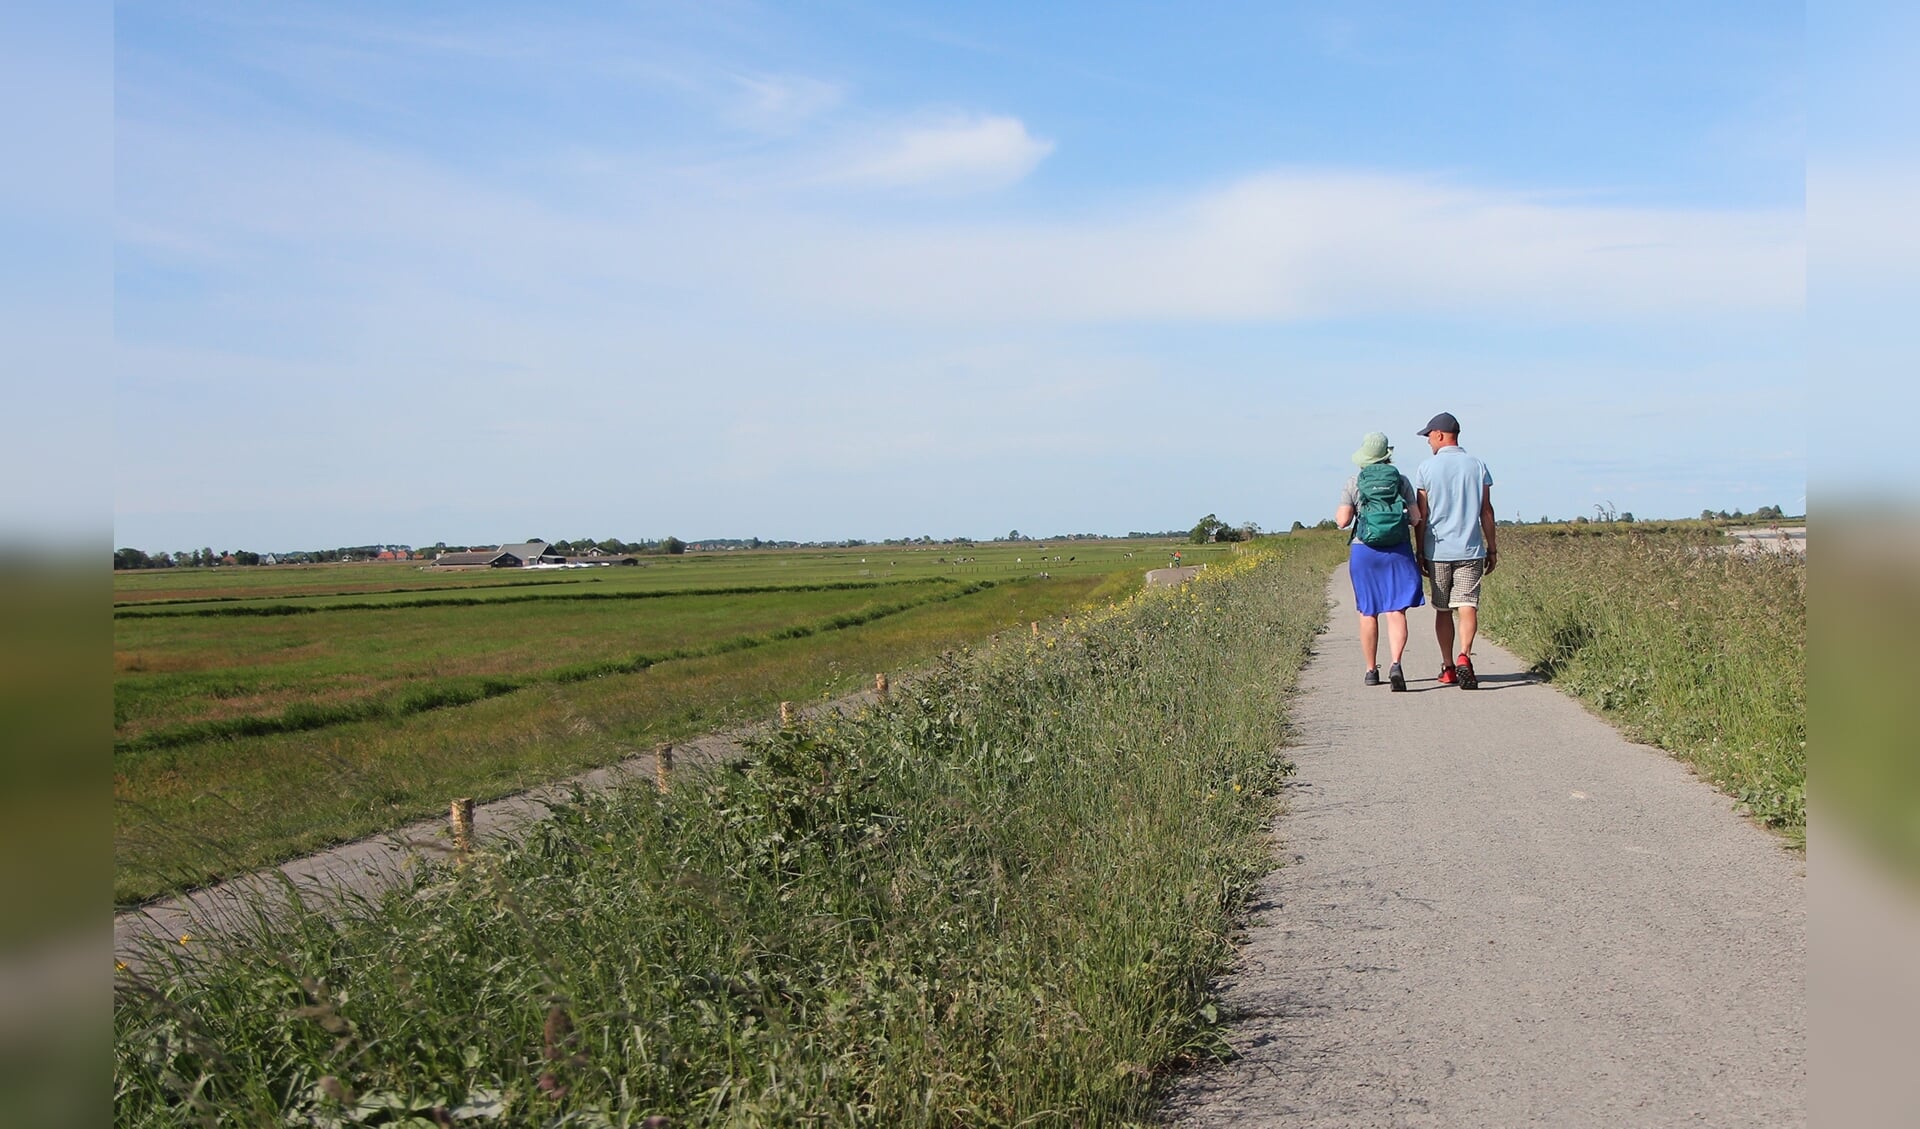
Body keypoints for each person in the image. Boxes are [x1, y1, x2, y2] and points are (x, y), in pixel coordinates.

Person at [1412, 411, 1496, 690]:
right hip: (1471, 549)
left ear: (1439, 435)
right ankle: (1465, 656)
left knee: (1443, 609)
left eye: (1429, 437)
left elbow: (1421, 514)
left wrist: (1420, 550)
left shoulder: (1426, 468)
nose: (1428, 442)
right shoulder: (1478, 466)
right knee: (1468, 604)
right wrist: (1492, 548)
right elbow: (1486, 511)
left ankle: (1448, 667)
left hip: (1438, 551)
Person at [1336, 432, 1425, 691]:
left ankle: (1371, 670)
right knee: (1395, 610)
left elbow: (1342, 521)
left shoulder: (1354, 482)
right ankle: (1396, 663)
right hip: (1398, 550)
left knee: (1368, 611)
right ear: (1387, 456)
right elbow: (1417, 517)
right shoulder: (1401, 480)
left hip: (1365, 551)